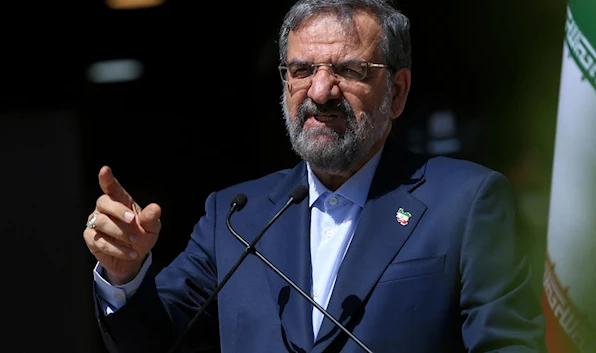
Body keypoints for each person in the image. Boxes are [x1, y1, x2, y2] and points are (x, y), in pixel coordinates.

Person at [83, 0, 546, 352]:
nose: (320, 91)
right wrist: (126, 277)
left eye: (349, 70)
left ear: (398, 92)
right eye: (302, 70)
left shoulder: (466, 202)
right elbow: (150, 339)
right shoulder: (234, 216)